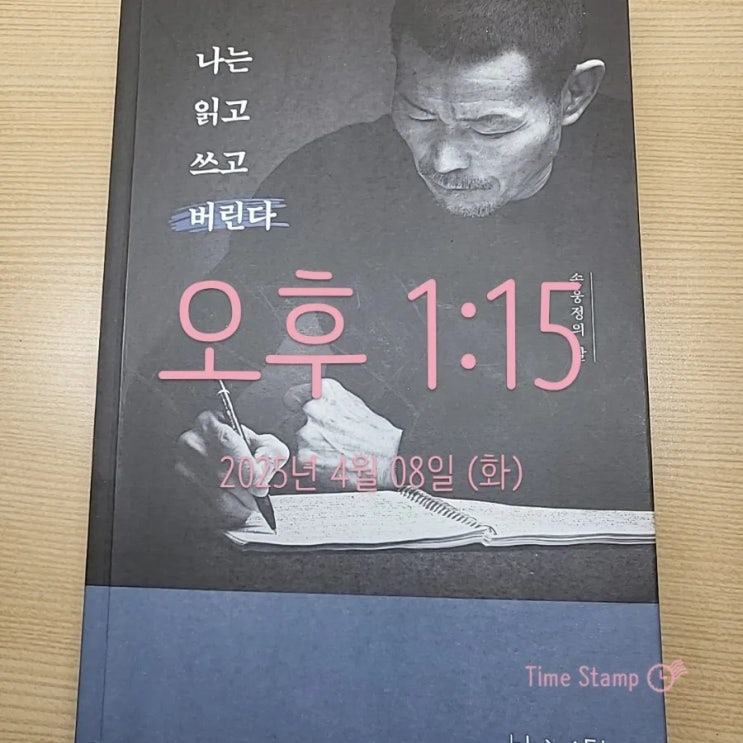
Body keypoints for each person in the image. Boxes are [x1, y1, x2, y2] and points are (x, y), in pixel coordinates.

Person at [114, 0, 656, 600]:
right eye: (418, 113)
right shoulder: (337, 178)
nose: (443, 160)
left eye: (491, 128)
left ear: (574, 95)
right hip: (379, 571)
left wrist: (408, 455)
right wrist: (208, 449)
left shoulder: (656, 179)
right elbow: (176, 373)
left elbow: (670, 450)